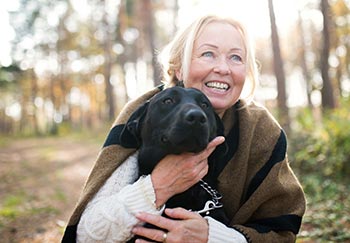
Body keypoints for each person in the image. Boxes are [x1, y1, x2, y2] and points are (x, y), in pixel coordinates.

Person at [62, 15, 306, 243]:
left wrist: (212, 237)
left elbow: (282, 233)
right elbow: (88, 235)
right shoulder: (147, 113)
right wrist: (158, 186)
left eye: (236, 57)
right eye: (208, 54)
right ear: (179, 68)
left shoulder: (261, 131)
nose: (223, 68)